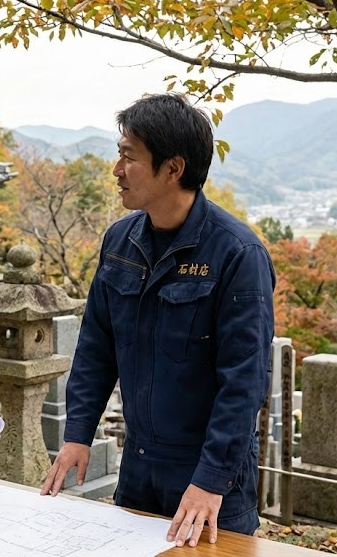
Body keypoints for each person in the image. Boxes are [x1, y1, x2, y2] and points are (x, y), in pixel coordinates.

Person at [41, 93, 275, 548]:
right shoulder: (120, 241)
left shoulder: (237, 254)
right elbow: (96, 346)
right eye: (119, 154)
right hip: (139, 467)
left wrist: (211, 480)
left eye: (130, 156)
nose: (117, 169)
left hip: (211, 477)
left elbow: (244, 381)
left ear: (174, 168)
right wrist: (77, 434)